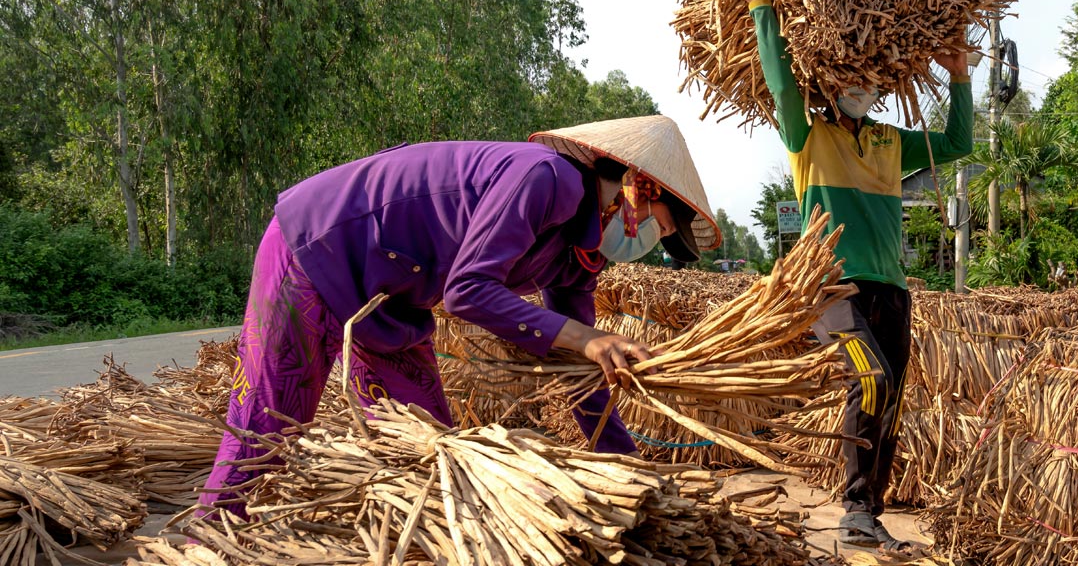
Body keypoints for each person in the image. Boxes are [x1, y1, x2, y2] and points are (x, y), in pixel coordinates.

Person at [199, 115, 721, 518]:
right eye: (659, 226)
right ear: (638, 190)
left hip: (393, 298)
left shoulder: (580, 254)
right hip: (320, 246)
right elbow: (468, 290)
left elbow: (584, 373)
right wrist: (587, 338)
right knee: (270, 421)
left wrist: (625, 468)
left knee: (430, 443)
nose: (651, 242)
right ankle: (211, 541)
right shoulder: (547, 179)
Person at [740, 0, 974, 549]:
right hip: (833, 288)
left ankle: (871, 510)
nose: (860, 88)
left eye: (871, 82)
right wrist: (762, 6)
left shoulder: (892, 142)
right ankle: (852, 506)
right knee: (868, 377)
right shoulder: (807, 138)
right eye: (851, 80)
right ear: (831, 83)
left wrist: (961, 77)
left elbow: (958, 142)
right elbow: (780, 83)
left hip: (892, 290)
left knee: (890, 388)